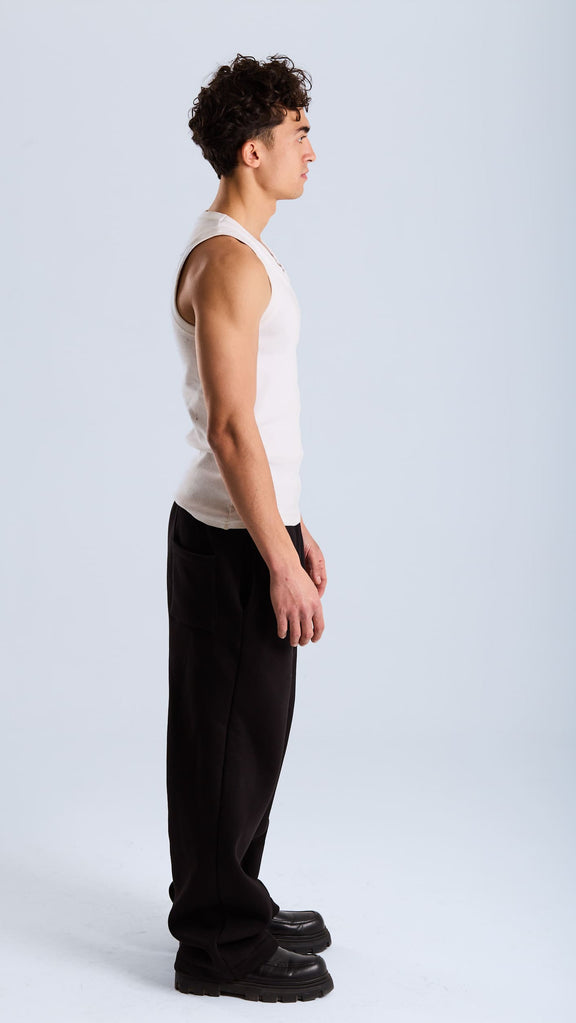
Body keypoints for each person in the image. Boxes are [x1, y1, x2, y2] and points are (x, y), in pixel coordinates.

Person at [165, 53, 333, 1003]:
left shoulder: (243, 251)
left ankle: (234, 897)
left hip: (254, 528)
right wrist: (277, 558)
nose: (312, 150)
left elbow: (264, 418)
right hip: (232, 539)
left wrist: (298, 529)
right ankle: (217, 943)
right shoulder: (229, 259)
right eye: (299, 132)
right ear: (252, 150)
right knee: (226, 740)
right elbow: (232, 428)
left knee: (248, 736)